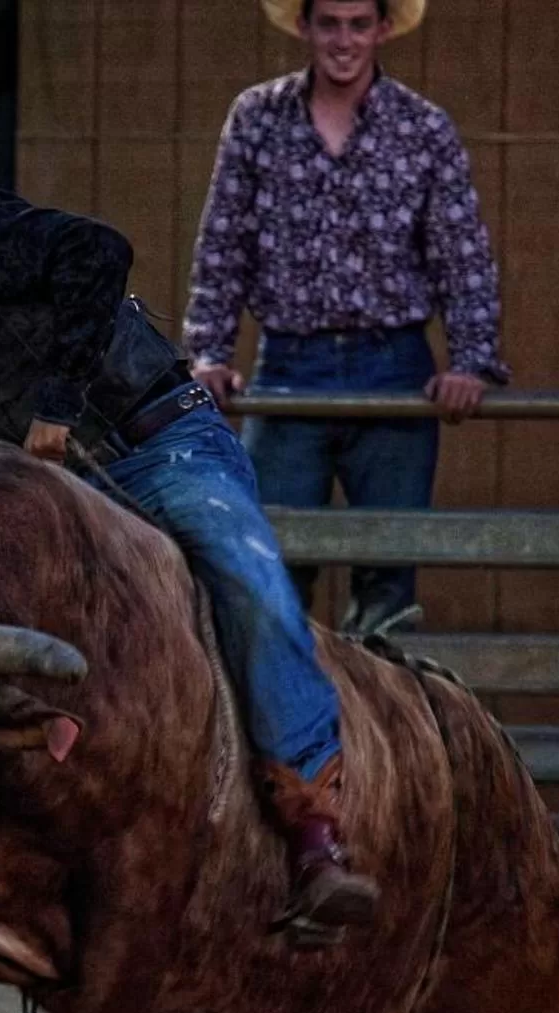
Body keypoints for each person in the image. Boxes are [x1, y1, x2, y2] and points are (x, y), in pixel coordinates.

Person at [0, 122, 381, 951]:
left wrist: (55, 402)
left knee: (243, 572)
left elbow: (95, 253)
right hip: (61, 490)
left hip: (161, 443)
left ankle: (313, 829)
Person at [186, 0, 508, 637]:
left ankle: (387, 733)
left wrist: (471, 361)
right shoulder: (257, 118)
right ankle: (284, 733)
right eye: (329, 23)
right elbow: (224, 243)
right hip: (288, 364)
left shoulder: (423, 127)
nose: (343, 40)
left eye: (358, 24)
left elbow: (461, 251)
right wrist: (209, 353)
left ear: (383, 29)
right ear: (303, 27)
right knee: (268, 564)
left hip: (391, 365)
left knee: (387, 576)